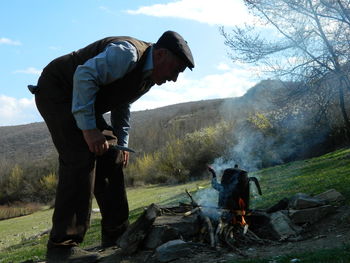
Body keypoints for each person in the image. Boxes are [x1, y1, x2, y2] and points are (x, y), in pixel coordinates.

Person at [30, 30, 194, 263]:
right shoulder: (127, 54)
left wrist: (122, 143)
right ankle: (62, 248)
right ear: (160, 54)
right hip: (58, 90)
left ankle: (117, 234)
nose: (174, 78)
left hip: (85, 99)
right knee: (80, 156)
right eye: (175, 69)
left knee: (112, 155)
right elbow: (84, 76)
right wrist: (88, 131)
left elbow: (121, 104)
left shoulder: (148, 76)